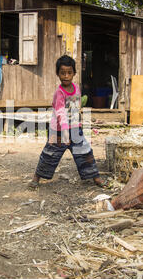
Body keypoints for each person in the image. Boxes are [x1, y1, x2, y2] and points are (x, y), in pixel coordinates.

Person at [29, 55, 106, 189]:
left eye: (69, 73)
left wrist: (78, 124)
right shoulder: (59, 93)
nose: (66, 76)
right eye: (62, 73)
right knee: (49, 155)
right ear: (57, 74)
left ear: (74, 73)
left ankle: (96, 177)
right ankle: (36, 178)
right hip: (58, 131)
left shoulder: (77, 88)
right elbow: (61, 113)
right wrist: (65, 131)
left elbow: (76, 108)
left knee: (85, 152)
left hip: (75, 129)